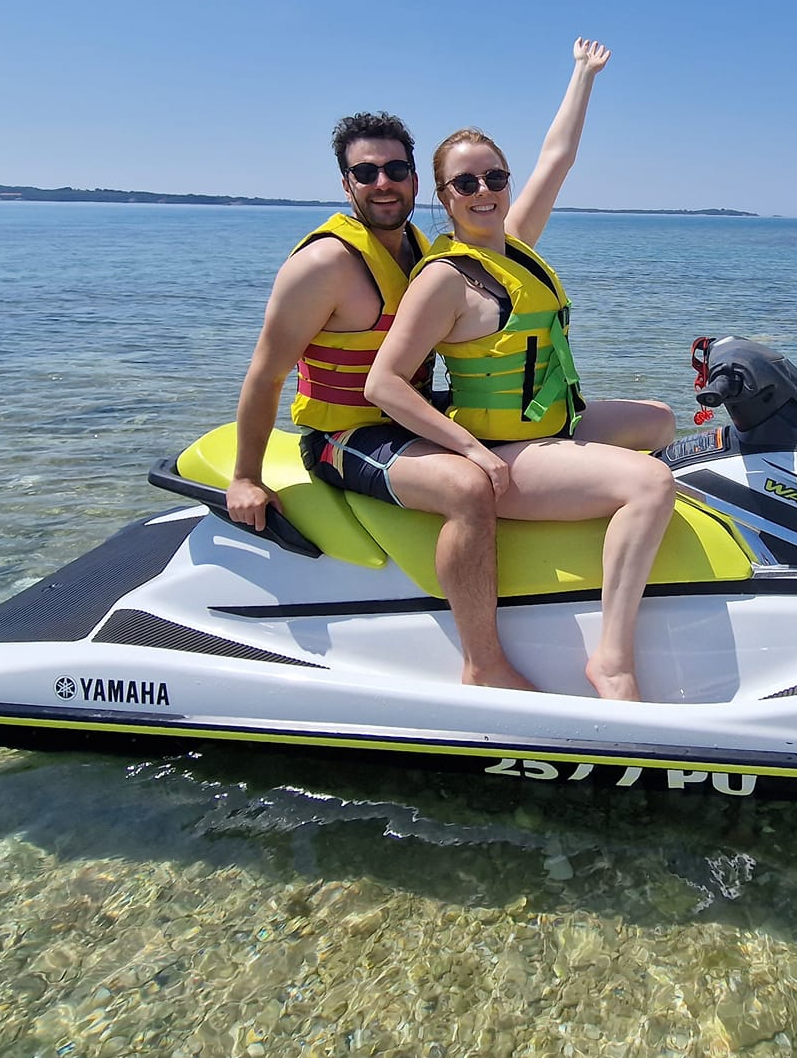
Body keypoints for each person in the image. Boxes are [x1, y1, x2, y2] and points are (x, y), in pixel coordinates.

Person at [367, 40, 676, 702]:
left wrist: (583, 74)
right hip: (507, 451)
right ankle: (612, 660)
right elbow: (382, 383)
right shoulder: (446, 279)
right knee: (651, 483)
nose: (484, 192)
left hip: (551, 425)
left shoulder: (515, 247)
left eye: (495, 179)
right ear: (444, 197)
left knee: (661, 421)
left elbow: (557, 157)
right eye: (466, 184)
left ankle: (612, 507)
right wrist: (474, 453)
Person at [227, 110, 534, 691]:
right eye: (365, 173)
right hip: (343, 436)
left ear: (417, 180)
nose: (383, 183)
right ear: (347, 185)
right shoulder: (323, 266)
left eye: (395, 169)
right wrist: (245, 477)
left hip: (412, 418)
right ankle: (483, 665)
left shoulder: (426, 250)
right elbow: (265, 375)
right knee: (467, 489)